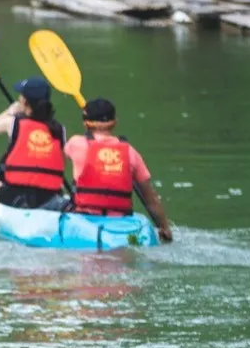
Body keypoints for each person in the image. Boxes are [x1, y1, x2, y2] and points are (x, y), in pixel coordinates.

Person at [65, 97, 174, 242]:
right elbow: (151, 198)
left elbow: (60, 155)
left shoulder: (76, 143)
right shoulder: (130, 152)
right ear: (115, 122)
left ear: (85, 123)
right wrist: (164, 227)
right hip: (121, 223)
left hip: (86, 221)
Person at [0, 76, 69, 211]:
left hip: (14, 198)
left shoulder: (13, 123)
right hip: (49, 198)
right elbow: (61, 162)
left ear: (24, 101)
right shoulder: (60, 130)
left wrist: (10, 111)